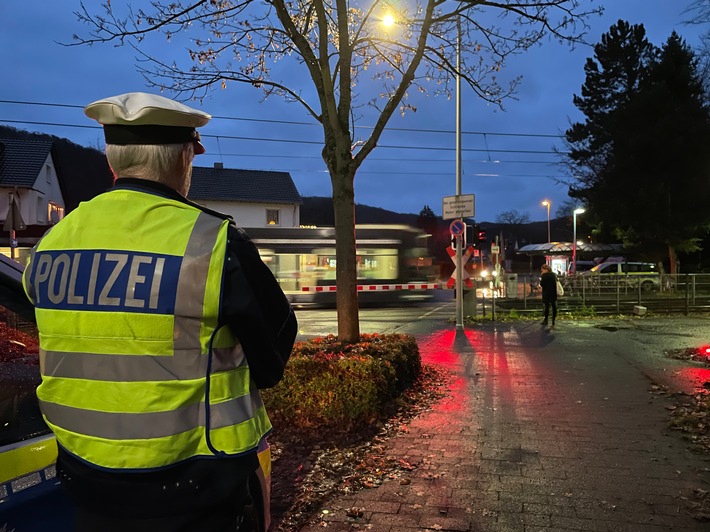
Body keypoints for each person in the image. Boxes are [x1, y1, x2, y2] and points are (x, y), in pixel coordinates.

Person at [21, 92, 297, 532]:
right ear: (185, 158)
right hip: (197, 496)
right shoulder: (217, 243)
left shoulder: (52, 243)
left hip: (86, 485)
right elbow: (271, 362)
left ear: (113, 162)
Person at [539, 263, 558, 328]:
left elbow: (542, 284)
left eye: (542, 270)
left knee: (547, 306)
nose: (542, 271)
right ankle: (553, 321)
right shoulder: (553, 275)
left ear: (545, 269)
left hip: (546, 293)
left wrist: (542, 276)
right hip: (553, 292)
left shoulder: (544, 276)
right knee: (554, 306)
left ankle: (546, 320)